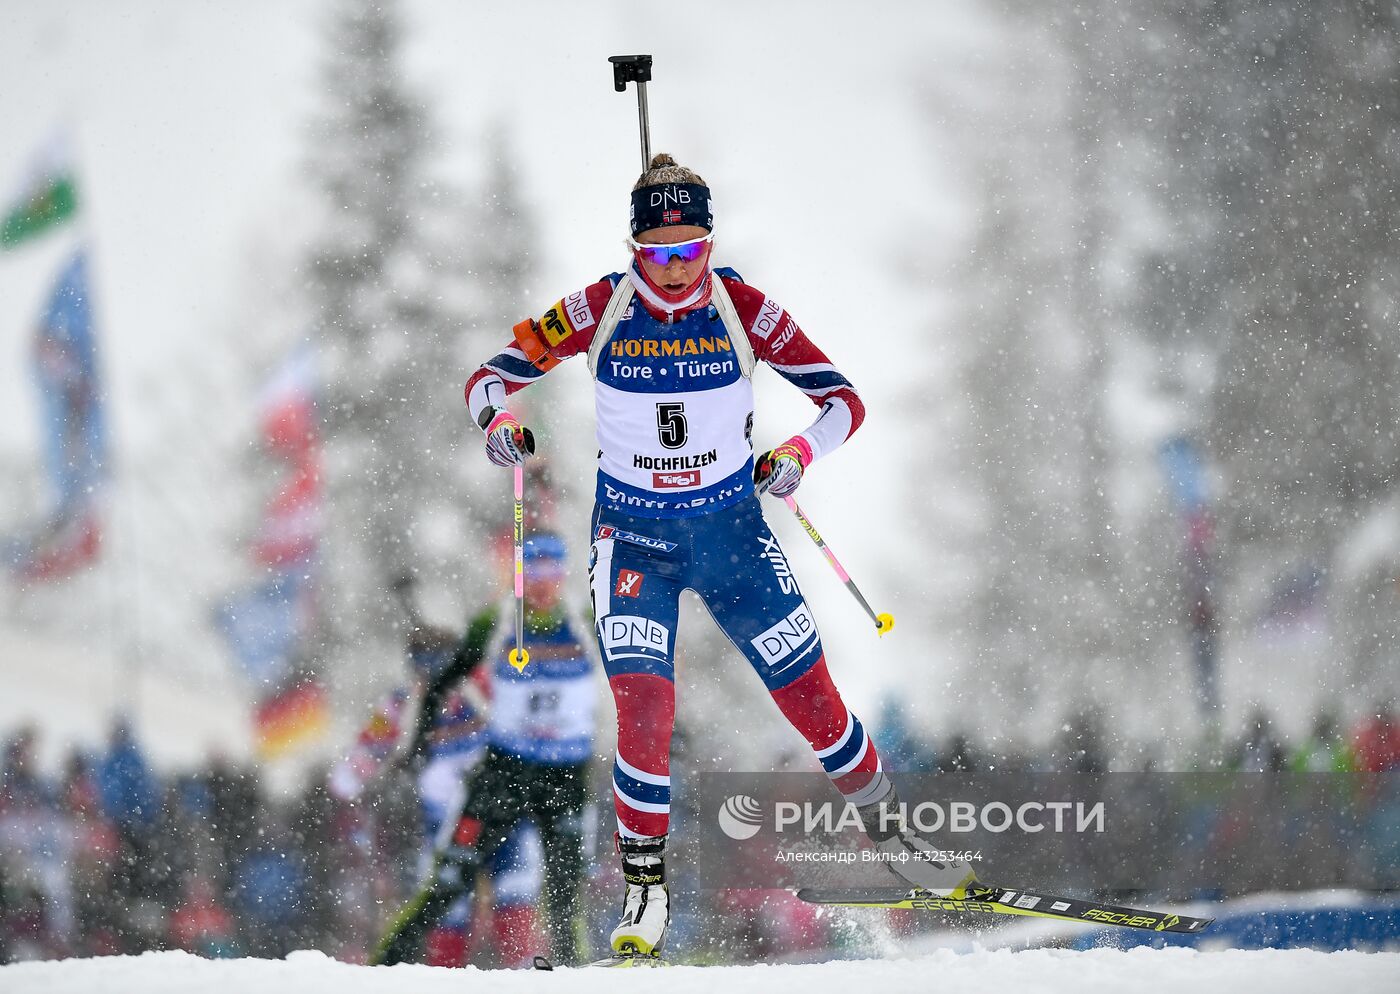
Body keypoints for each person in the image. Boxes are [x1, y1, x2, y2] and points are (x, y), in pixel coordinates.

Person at [462, 153, 978, 959]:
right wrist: (500, 432)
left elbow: (843, 402)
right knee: (645, 707)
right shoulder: (599, 306)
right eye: (659, 254)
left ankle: (893, 839)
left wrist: (799, 455)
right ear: (635, 250)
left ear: (710, 242)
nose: (675, 271)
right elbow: (487, 380)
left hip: (733, 535)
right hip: (634, 542)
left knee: (812, 701)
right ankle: (644, 896)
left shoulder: (742, 307)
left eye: (691, 250)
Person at [373, 533, 597, 967]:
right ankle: (383, 966)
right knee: (450, 880)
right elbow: (442, 682)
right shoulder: (495, 623)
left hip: (565, 774)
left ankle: (576, 976)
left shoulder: (588, 621)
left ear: (564, 572)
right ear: (519, 575)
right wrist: (420, 745)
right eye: (532, 570)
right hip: (506, 770)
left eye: (551, 569)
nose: (542, 582)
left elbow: (641, 674)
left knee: (566, 894)